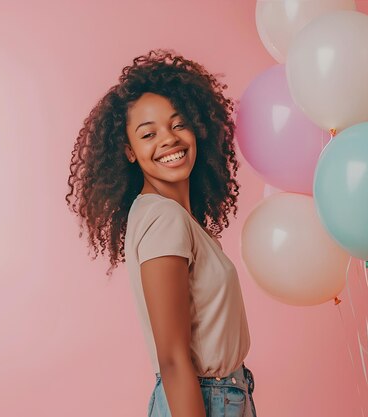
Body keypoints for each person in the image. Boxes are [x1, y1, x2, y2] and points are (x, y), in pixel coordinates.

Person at [65, 49, 257, 417]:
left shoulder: (168, 216)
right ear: (129, 152)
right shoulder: (163, 219)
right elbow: (171, 359)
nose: (168, 139)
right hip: (206, 401)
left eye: (178, 124)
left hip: (222, 396)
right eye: (148, 133)